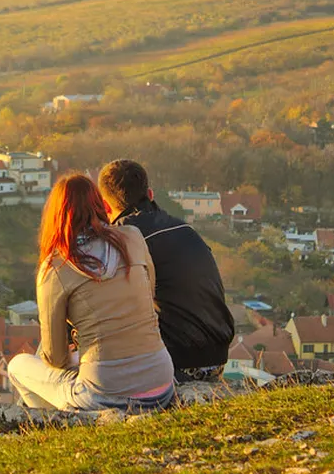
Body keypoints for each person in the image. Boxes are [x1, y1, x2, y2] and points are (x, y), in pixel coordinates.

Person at [7, 172, 175, 412]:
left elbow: (54, 357)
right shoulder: (132, 238)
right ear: (98, 204)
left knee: (18, 365)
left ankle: (56, 426)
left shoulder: (57, 266)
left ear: (55, 215)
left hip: (104, 395)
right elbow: (148, 295)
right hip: (161, 385)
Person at [97, 159, 235, 382]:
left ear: (105, 206)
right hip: (217, 357)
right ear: (150, 194)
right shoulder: (184, 228)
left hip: (176, 363)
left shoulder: (124, 237)